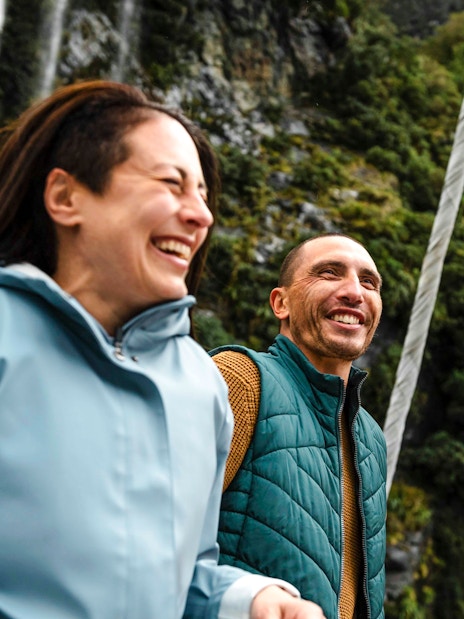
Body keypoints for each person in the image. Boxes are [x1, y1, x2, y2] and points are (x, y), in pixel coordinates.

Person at [0, 80, 326, 619]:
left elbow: (184, 578)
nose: (201, 215)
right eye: (172, 184)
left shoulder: (200, 385)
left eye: (201, 193)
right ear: (65, 197)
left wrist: (247, 600)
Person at [211, 233, 387, 619]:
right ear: (281, 302)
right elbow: (158, 544)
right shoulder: (241, 380)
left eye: (368, 282)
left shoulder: (371, 438)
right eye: (329, 273)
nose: (354, 292)